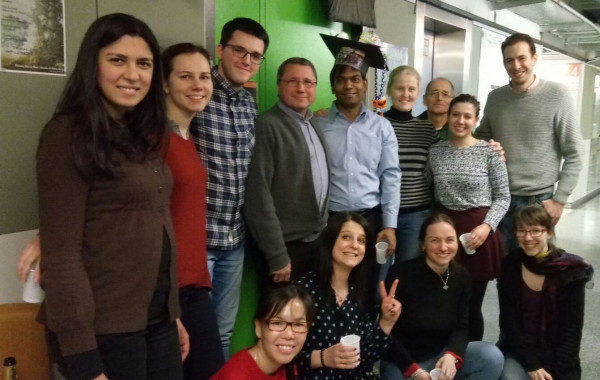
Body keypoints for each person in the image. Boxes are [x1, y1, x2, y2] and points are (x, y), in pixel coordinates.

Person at [35, 13, 185, 380]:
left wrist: (173, 313)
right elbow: (62, 257)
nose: (133, 75)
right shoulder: (67, 134)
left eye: (144, 64)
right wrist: (84, 361)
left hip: (157, 319)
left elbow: (153, 225)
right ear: (93, 64)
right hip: (105, 330)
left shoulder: (139, 133)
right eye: (118, 60)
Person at [191, 17, 269, 359]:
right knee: (194, 333)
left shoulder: (248, 102)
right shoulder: (199, 92)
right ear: (220, 49)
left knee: (223, 331)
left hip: (234, 240)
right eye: (239, 50)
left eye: (255, 56)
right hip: (198, 240)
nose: (247, 61)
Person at [474, 32, 584, 253]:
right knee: (506, 270)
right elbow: (480, 138)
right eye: (509, 60)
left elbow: (574, 153)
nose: (516, 65)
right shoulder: (496, 98)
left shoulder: (557, 94)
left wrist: (559, 200)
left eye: (522, 58)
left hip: (539, 200)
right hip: (501, 199)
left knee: (539, 268)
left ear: (534, 58)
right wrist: (486, 145)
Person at [161, 43, 224, 379]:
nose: (198, 85)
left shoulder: (188, 137)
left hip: (195, 284)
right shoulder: (153, 139)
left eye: (204, 76)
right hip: (170, 290)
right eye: (185, 76)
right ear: (165, 83)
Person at [381, 213, 504, 380]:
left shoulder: (462, 276)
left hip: (441, 357)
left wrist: (452, 355)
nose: (443, 247)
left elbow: (462, 327)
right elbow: (387, 337)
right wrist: (414, 370)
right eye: (434, 240)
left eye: (449, 240)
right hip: (404, 361)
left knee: (491, 356)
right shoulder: (400, 274)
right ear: (423, 244)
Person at [427, 94, 510, 341]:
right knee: (444, 300)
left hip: (477, 235)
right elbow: (428, 187)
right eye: (456, 115)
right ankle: (445, 356)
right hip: (445, 233)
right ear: (448, 116)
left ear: (475, 120)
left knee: (471, 305)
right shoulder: (435, 151)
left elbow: (503, 196)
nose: (460, 121)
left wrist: (487, 227)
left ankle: (472, 357)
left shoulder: (490, 152)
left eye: (467, 116)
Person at [245, 57, 329, 283]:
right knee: (281, 316)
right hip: (285, 249)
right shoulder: (267, 125)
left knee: (310, 315)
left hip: (315, 242)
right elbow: (258, 197)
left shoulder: (312, 122)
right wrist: (277, 254)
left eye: (308, 82)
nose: (301, 88)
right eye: (293, 81)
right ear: (278, 86)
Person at [294, 212, 402, 379]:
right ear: (330, 241)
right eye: (346, 237)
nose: (355, 245)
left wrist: (386, 323)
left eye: (361, 241)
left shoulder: (357, 293)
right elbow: (281, 356)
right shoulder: (303, 291)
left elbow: (365, 359)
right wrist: (322, 358)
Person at [498, 205, 592, 380]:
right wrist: (531, 364)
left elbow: (571, 329)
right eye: (521, 231)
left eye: (535, 231)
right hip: (519, 350)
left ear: (549, 232)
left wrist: (558, 371)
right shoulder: (510, 264)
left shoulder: (570, 271)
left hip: (558, 355)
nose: (527, 238)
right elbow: (509, 321)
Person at [382, 66, 438, 268]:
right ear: (389, 91)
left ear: (418, 93)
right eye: (400, 88)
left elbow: (446, 155)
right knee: (379, 273)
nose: (405, 94)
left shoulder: (426, 128)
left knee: (407, 273)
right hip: (382, 212)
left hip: (416, 214)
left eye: (411, 89)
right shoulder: (377, 124)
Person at [210, 284, 315, 380]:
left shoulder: (287, 364)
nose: (289, 335)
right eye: (277, 323)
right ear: (258, 327)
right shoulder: (237, 376)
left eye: (298, 325)